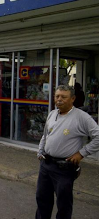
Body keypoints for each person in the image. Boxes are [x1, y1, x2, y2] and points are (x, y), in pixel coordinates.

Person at [36, 85, 99, 219]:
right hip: (46, 165)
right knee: (42, 200)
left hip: (64, 168)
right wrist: (40, 150)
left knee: (63, 204)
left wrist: (81, 153)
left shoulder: (82, 117)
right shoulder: (52, 114)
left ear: (73, 99)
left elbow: (98, 136)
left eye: (64, 97)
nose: (59, 99)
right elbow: (45, 135)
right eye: (57, 96)